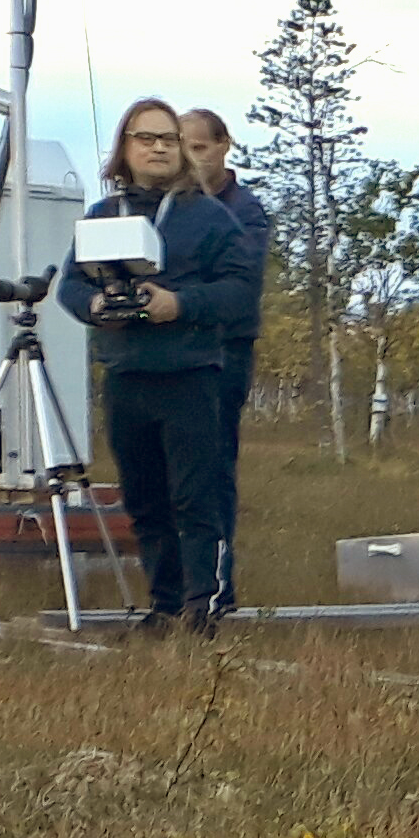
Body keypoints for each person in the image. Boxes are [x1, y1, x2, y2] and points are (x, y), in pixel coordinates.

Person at [61, 98, 257, 630]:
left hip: (191, 375)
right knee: (144, 500)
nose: (158, 148)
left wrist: (180, 305)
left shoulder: (210, 218)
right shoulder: (103, 216)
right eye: (145, 138)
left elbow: (242, 292)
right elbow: (70, 286)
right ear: (125, 148)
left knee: (197, 496)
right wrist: (96, 307)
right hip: (125, 373)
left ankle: (204, 604)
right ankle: (164, 604)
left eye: (168, 139)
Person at [177, 109, 272, 555]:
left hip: (222, 352)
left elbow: (238, 284)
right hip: (173, 349)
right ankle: (178, 581)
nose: (190, 158)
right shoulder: (170, 206)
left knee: (212, 466)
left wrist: (180, 293)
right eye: (183, 148)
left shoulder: (244, 210)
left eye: (198, 147)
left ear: (223, 146)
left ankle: (216, 581)